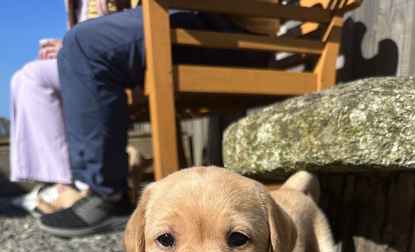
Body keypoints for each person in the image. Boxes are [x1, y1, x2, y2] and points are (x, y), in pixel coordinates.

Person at [39, 0, 280, 237]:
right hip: (201, 20)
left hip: (231, 28)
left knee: (84, 44)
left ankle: (105, 195)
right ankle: (97, 189)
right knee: (83, 43)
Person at [10, 1, 130, 215]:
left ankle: (68, 184)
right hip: (90, 57)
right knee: (23, 77)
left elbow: (110, 28)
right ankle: (61, 182)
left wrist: (68, 48)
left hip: (115, 58)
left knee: (33, 77)